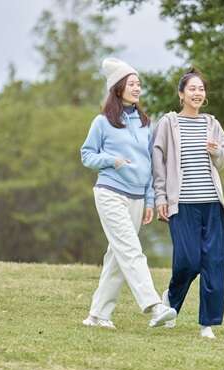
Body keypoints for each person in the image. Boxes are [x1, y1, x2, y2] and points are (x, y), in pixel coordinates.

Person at [80, 58, 177, 329]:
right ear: (118, 88)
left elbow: (149, 163)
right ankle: (154, 306)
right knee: (131, 250)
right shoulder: (102, 123)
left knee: (117, 256)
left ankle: (98, 315)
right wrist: (111, 160)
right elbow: (87, 155)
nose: (137, 88)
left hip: (137, 197)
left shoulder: (146, 123)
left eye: (139, 84)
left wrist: (148, 199)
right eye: (131, 83)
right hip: (110, 192)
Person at [152, 68, 224, 339]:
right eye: (192, 89)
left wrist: (216, 152)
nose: (198, 93)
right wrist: (160, 196)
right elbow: (158, 162)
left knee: (214, 263)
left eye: (201, 89)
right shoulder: (168, 123)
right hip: (182, 204)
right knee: (188, 261)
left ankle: (207, 324)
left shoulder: (212, 123)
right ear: (181, 94)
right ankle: (170, 299)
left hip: (212, 203)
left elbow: (221, 161)